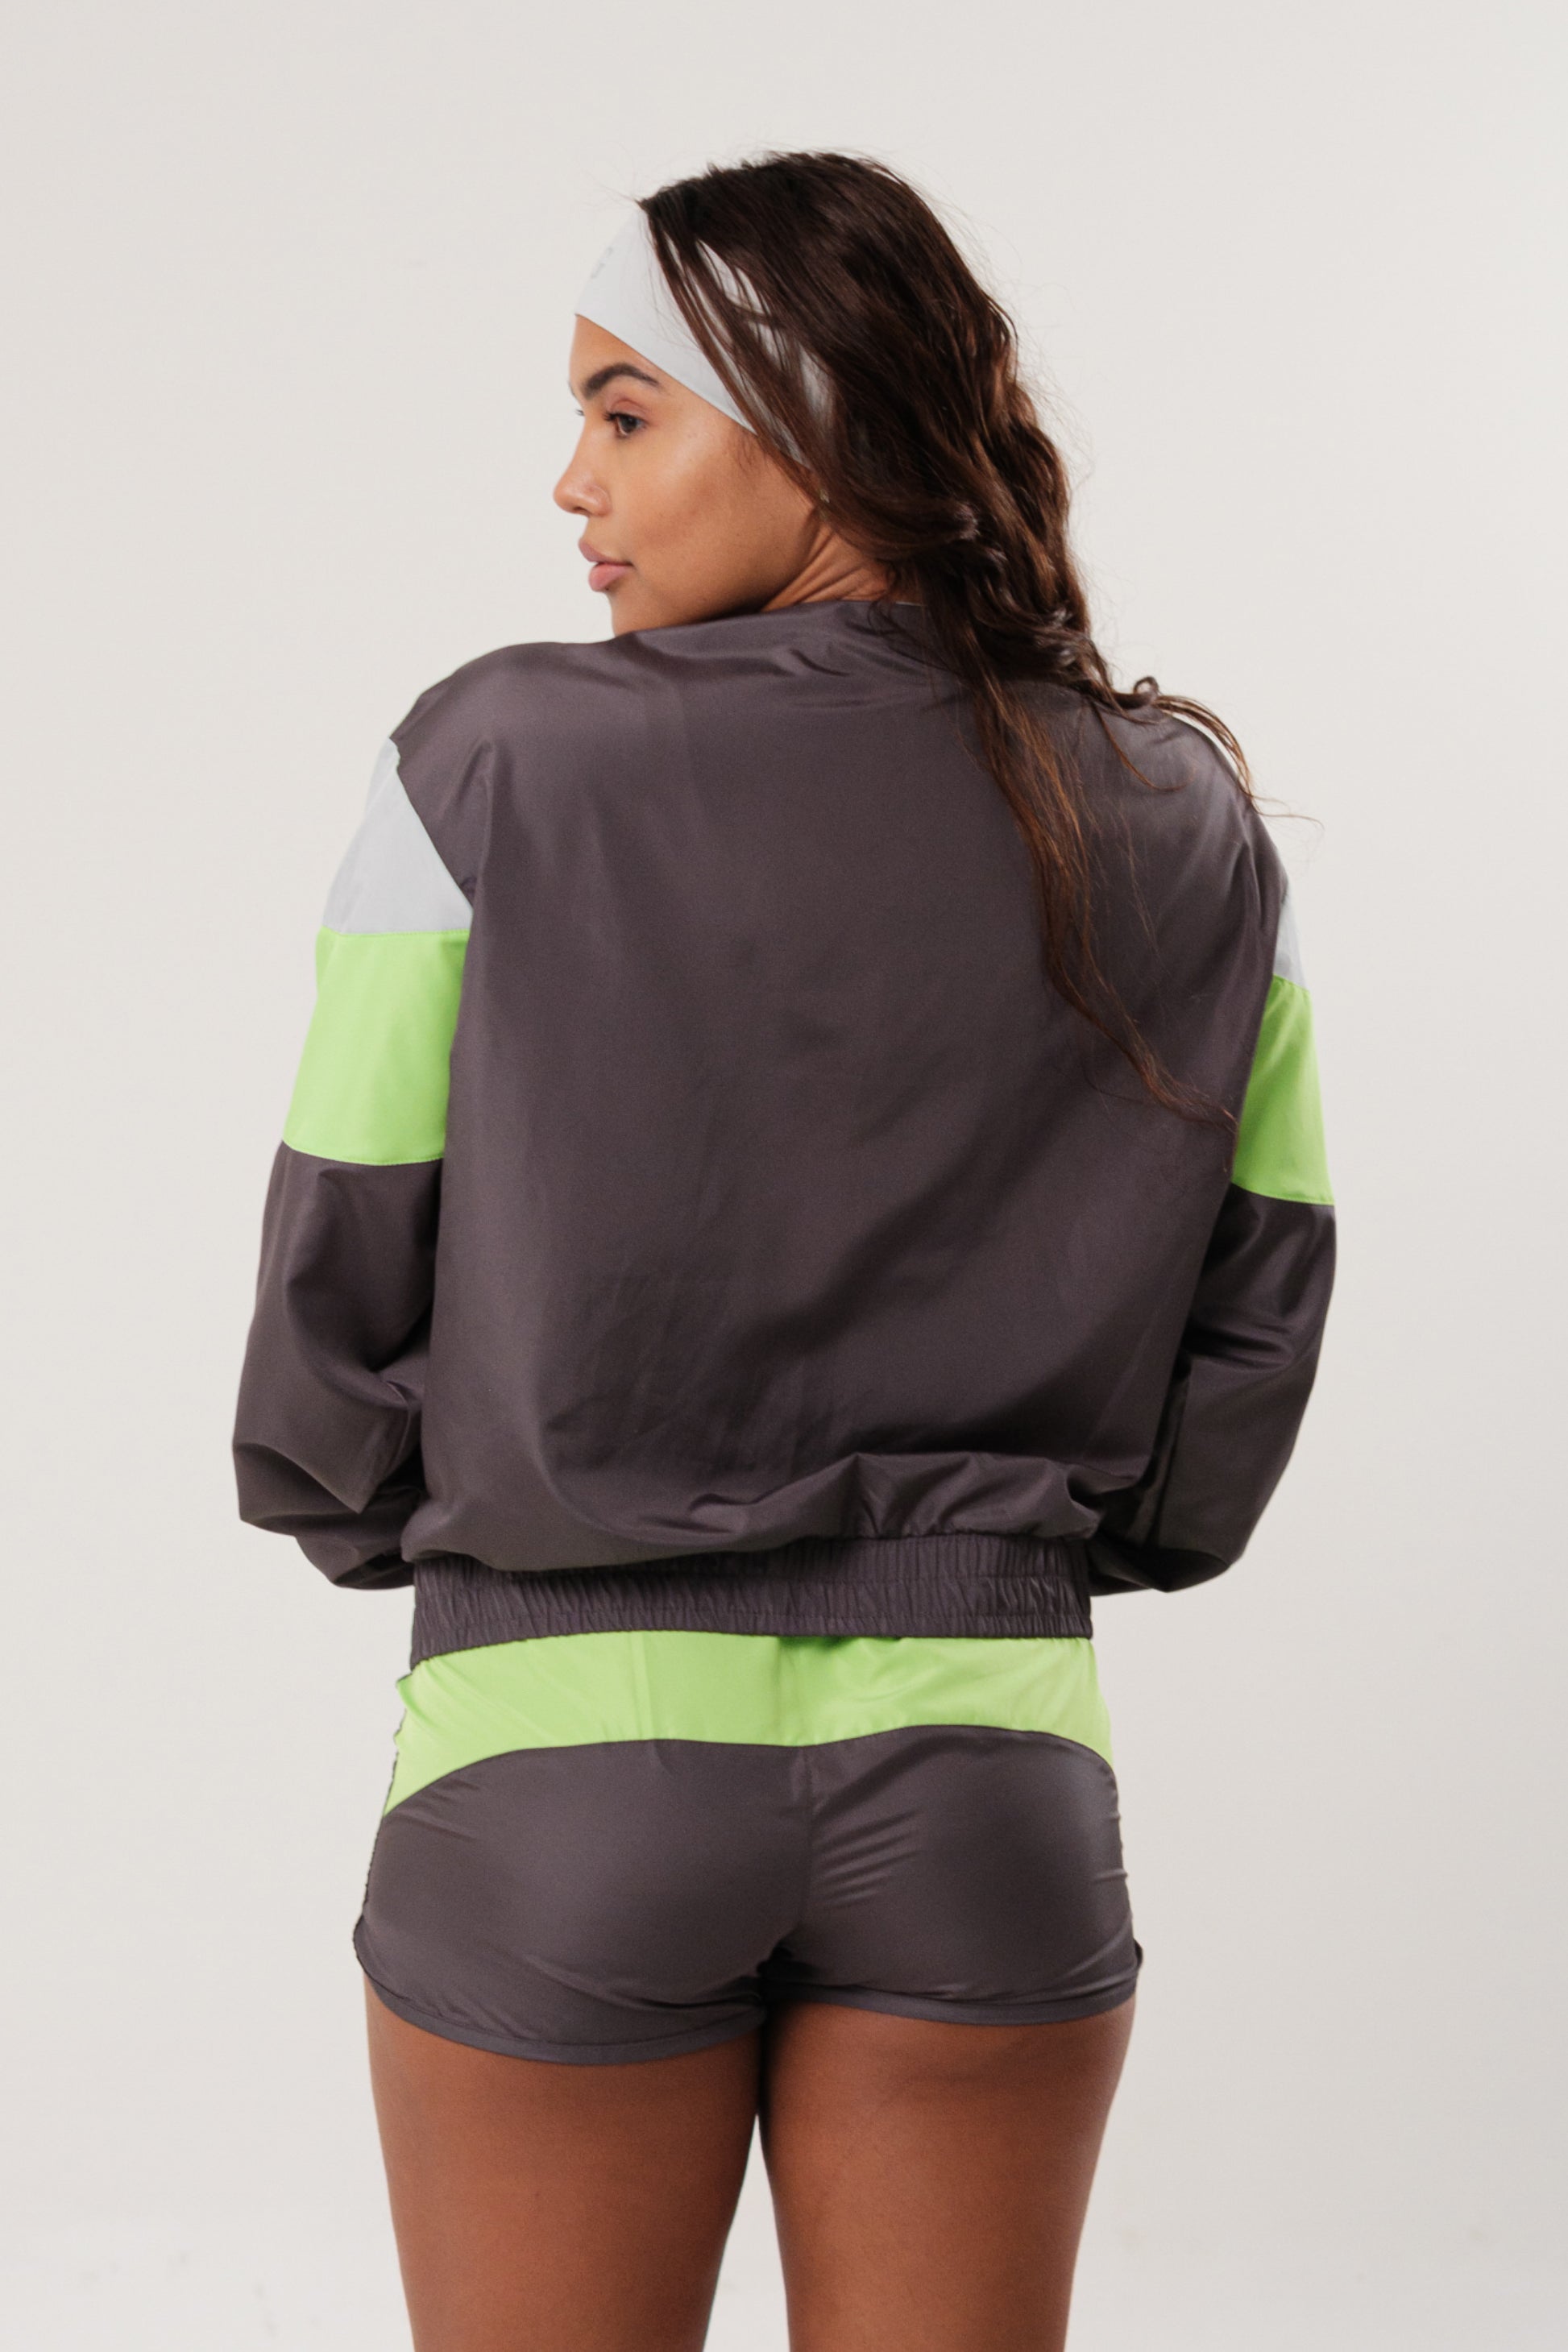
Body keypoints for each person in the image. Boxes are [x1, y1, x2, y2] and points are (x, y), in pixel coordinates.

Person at [233, 151, 1334, 2352]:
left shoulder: (487, 762)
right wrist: (1025, 1547)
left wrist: (445, 1532)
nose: (572, 481)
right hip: (996, 1776)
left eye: (624, 410)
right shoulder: (1182, 812)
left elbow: (339, 1262)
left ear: (809, 414)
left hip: (555, 1763)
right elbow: (1257, 1303)